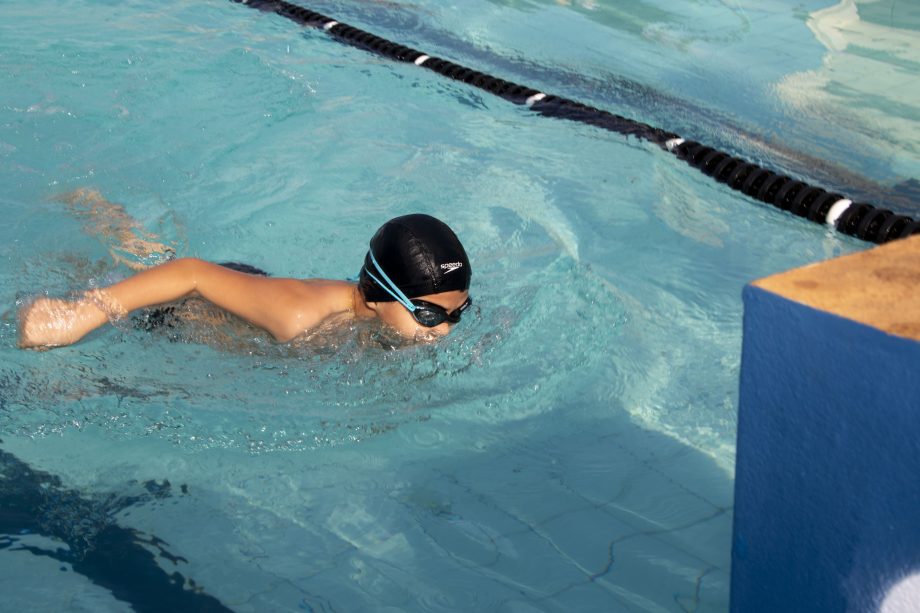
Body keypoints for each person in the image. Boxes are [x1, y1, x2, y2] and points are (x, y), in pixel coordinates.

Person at [17, 192, 472, 349]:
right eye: (429, 316)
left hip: (254, 289)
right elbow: (191, 273)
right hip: (185, 308)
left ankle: (104, 216)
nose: (445, 331)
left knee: (149, 254)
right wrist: (82, 315)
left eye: (457, 314)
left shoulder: (385, 314)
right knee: (105, 273)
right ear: (378, 296)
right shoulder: (299, 319)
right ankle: (93, 211)